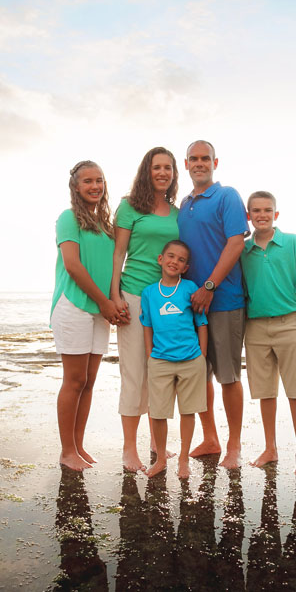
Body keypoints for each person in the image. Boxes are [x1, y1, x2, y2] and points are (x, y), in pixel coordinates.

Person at [177, 140, 249, 469]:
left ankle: (234, 445)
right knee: (199, 374)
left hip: (224, 301)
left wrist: (209, 286)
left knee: (228, 376)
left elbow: (235, 244)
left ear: (215, 163)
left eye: (205, 158)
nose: (199, 163)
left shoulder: (227, 196)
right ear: (186, 164)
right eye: (193, 159)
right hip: (192, 304)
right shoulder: (184, 203)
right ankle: (210, 438)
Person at [51, 161, 126, 471]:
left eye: (99, 180)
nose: (95, 186)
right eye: (88, 181)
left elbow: (112, 266)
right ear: (76, 187)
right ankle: (67, 451)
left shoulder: (105, 225)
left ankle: (78, 446)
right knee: (74, 380)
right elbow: (72, 265)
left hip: (99, 310)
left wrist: (113, 301)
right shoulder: (68, 218)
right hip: (74, 306)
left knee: (89, 381)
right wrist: (104, 302)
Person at [110, 147, 180, 472]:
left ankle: (157, 443)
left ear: (173, 173)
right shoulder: (129, 207)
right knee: (134, 373)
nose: (162, 172)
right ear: (146, 171)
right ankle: (128, 448)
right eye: (157, 167)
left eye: (168, 167)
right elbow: (118, 253)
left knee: (160, 374)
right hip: (134, 296)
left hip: (166, 300)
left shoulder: (177, 213)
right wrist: (115, 296)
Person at [240, 191, 296, 479]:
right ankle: (270, 448)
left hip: (289, 325)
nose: (262, 215)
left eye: (267, 210)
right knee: (265, 392)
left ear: (276, 214)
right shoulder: (243, 250)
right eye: (256, 211)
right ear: (249, 216)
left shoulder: (293, 243)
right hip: (256, 328)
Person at [140, 240, 208, 478]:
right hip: (160, 360)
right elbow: (147, 325)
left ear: (186, 267)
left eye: (181, 260)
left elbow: (201, 323)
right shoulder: (149, 293)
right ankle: (160, 459)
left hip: (191, 359)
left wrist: (202, 355)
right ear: (160, 259)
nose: (174, 262)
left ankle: (183, 459)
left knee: (188, 411)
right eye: (170, 256)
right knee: (158, 412)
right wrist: (150, 355)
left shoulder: (190, 288)